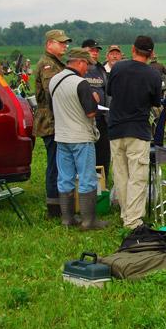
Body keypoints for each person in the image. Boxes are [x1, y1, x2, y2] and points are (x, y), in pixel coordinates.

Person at [107, 35, 163, 229]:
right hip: (138, 130)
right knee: (137, 176)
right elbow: (156, 102)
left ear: (132, 49)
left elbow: (110, 92)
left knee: (121, 174)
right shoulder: (153, 75)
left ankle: (126, 214)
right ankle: (133, 221)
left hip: (115, 129)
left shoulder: (117, 68)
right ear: (151, 54)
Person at [49, 48, 107, 230]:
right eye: (87, 65)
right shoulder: (80, 83)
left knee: (64, 177)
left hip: (61, 136)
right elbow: (90, 112)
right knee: (86, 177)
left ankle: (67, 219)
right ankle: (89, 221)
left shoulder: (54, 80)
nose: (87, 69)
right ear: (80, 62)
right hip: (81, 137)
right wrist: (95, 98)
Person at [34, 29, 71, 218]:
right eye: (61, 42)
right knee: (54, 165)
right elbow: (52, 90)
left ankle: (59, 204)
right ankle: (54, 208)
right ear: (49, 44)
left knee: (59, 163)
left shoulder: (56, 63)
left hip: (56, 119)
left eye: (65, 42)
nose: (65, 45)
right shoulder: (47, 65)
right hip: (50, 120)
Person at [82, 39, 111, 183]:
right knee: (87, 155)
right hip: (85, 120)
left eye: (97, 51)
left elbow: (107, 92)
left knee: (103, 154)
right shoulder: (81, 70)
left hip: (102, 119)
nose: (94, 53)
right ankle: (87, 184)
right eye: (91, 50)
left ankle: (103, 184)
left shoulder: (101, 69)